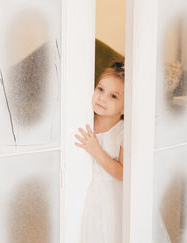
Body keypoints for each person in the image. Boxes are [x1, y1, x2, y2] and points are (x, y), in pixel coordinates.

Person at [75, 62, 125, 243]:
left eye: (113, 96)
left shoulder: (122, 131)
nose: (102, 98)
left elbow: (123, 172)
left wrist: (96, 150)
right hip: (85, 191)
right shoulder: (84, 118)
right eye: (100, 89)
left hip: (111, 197)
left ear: (125, 108)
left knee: (111, 234)